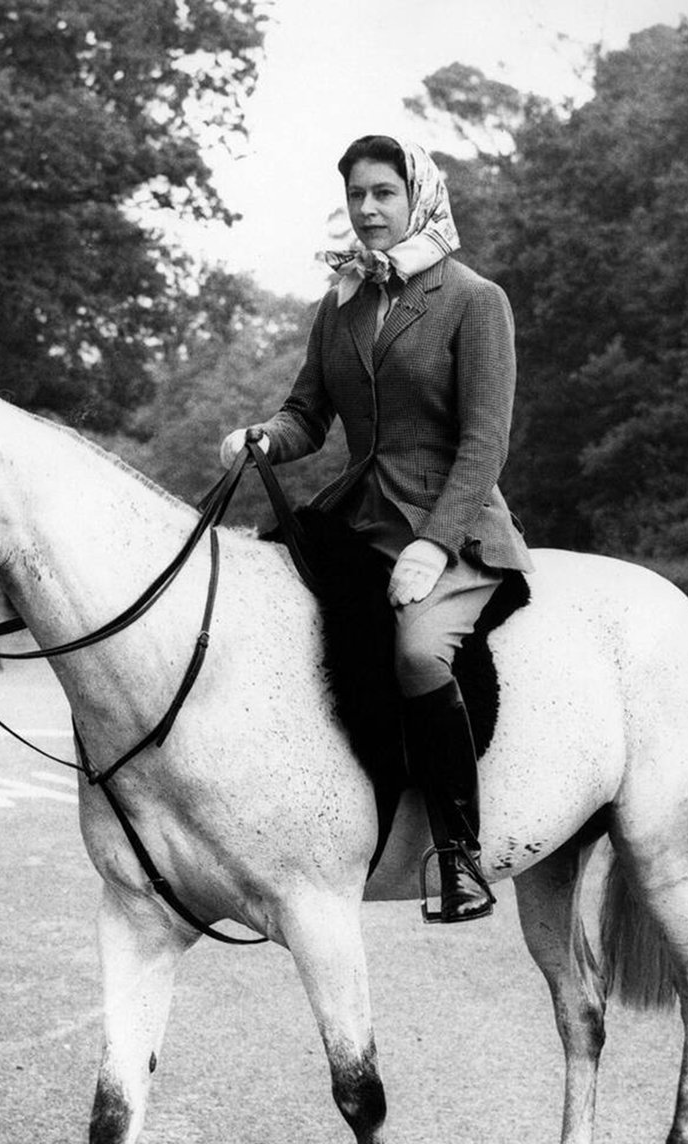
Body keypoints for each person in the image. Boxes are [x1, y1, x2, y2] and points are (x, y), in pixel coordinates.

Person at [220, 135, 532, 923]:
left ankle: (458, 854)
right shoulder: (344, 302)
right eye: (357, 195)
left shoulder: (474, 300)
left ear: (418, 195)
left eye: (383, 193)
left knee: (420, 654)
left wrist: (433, 543)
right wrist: (263, 436)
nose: (367, 210)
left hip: (455, 529)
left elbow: (485, 442)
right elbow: (307, 416)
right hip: (358, 516)